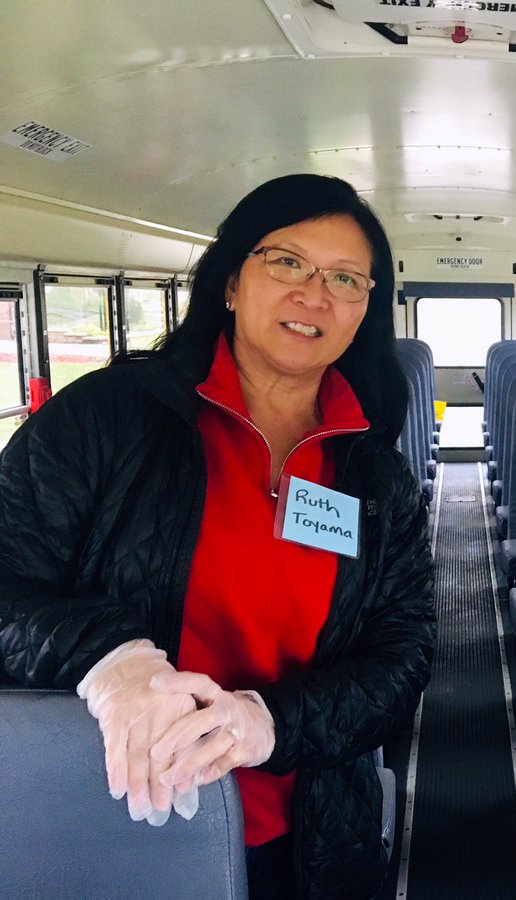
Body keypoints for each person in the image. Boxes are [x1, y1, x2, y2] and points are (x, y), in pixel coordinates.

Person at [0, 174, 437, 898]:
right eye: (287, 262)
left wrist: (271, 720)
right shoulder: (105, 421)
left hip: (310, 833)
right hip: (107, 817)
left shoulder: (372, 473)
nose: (313, 294)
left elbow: (403, 654)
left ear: (364, 310)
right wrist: (111, 659)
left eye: (345, 278)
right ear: (231, 283)